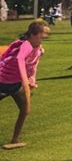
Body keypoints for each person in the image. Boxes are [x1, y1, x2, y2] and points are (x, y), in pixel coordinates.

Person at [0, 19, 50, 150]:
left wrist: (31, 79)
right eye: (41, 35)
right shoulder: (26, 44)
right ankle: (15, 139)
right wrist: (24, 80)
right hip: (3, 81)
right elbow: (19, 59)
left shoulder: (38, 49)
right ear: (32, 35)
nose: (43, 38)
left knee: (25, 109)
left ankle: (15, 139)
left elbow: (33, 66)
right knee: (25, 109)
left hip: (15, 84)